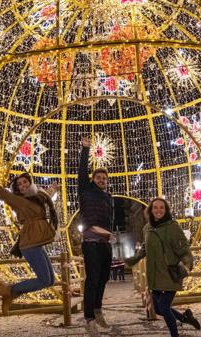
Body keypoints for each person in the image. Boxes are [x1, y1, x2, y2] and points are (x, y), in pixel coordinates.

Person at [0, 167, 57, 315]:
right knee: (44, 280)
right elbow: (2, 193)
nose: (23, 185)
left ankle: (10, 294)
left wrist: (52, 189)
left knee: (51, 281)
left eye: (25, 182)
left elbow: (47, 195)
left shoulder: (39, 196)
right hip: (29, 244)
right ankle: (6, 290)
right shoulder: (18, 201)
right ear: (17, 188)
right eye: (19, 184)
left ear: (30, 182)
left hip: (36, 244)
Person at [125, 198, 201, 337]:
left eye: (162, 207)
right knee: (159, 310)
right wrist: (134, 259)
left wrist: (187, 262)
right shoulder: (146, 228)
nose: (158, 210)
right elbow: (144, 248)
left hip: (169, 273)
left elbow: (184, 248)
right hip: (154, 275)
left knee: (165, 308)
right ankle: (185, 318)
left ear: (166, 210)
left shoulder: (173, 226)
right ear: (150, 210)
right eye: (155, 207)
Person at [78, 136, 115, 337]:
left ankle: (98, 312)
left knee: (103, 278)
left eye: (104, 178)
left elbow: (108, 221)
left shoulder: (108, 198)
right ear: (93, 180)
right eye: (98, 178)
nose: (101, 180)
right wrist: (86, 149)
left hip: (105, 243)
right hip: (91, 242)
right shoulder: (86, 190)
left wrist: (109, 236)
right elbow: (82, 173)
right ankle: (89, 319)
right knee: (92, 279)